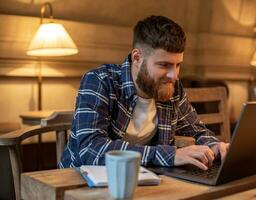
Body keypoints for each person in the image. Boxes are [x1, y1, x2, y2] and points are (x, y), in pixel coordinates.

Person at [59, 15, 229, 170]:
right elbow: (90, 150)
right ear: (137, 58)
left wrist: (215, 145)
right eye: (164, 65)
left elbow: (197, 130)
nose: (174, 76)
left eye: (178, 65)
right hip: (81, 180)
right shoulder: (100, 81)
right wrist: (171, 155)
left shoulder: (172, 88)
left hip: (143, 178)